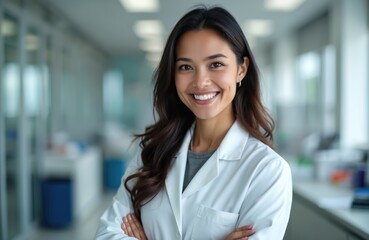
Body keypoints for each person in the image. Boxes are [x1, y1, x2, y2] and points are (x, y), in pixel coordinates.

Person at [96, 5, 292, 240]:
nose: (200, 82)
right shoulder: (152, 152)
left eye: (216, 64)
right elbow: (106, 235)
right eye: (186, 67)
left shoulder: (267, 170)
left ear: (241, 69)